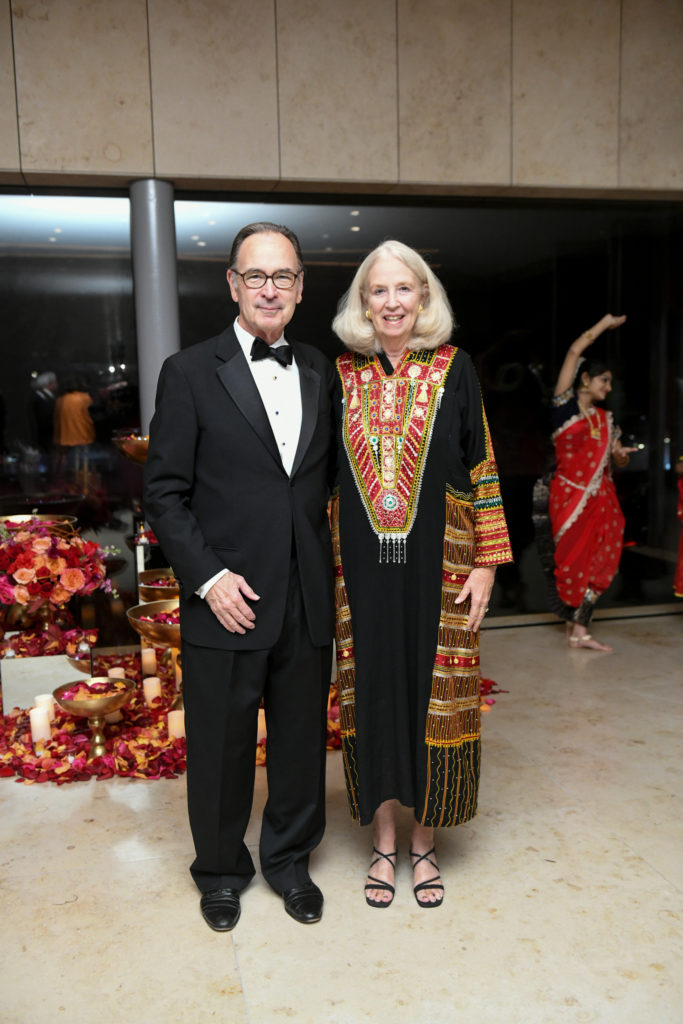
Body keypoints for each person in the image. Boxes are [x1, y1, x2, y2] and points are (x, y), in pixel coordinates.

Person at [144, 222, 335, 932]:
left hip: (304, 595)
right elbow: (164, 492)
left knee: (298, 744)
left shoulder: (320, 367)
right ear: (231, 284)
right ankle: (220, 870)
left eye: (282, 276)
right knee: (222, 749)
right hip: (226, 598)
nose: (268, 289)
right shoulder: (190, 371)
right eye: (255, 276)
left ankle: (289, 862)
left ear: (300, 288)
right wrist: (207, 578)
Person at [330, 240, 512, 909]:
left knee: (427, 692)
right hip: (361, 570)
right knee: (372, 691)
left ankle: (423, 841)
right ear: (361, 302)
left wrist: (488, 564)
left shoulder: (455, 368)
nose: (391, 302)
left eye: (404, 289)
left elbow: (482, 465)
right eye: (377, 290)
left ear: (424, 297)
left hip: (440, 567)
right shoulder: (340, 375)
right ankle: (383, 840)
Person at [538, 314, 636, 651]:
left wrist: (621, 454)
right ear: (585, 379)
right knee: (572, 561)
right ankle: (572, 626)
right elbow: (573, 351)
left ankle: (581, 630)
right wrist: (605, 324)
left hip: (602, 499)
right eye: (603, 381)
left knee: (601, 559)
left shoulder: (606, 419)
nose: (607, 389)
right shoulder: (564, 407)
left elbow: (616, 458)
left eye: (610, 383)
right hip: (569, 496)